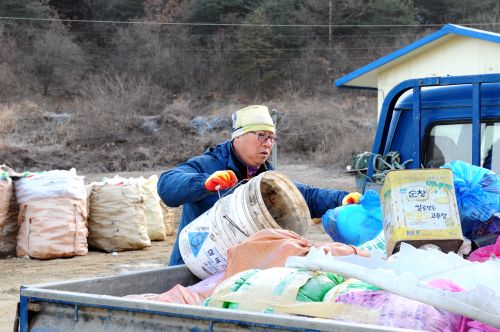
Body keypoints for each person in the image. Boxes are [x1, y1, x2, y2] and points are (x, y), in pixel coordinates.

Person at [157, 105, 359, 266]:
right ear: (238, 137)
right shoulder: (210, 164)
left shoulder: (264, 178)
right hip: (190, 266)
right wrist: (204, 183)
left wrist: (341, 199)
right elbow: (167, 184)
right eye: (261, 135)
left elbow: (304, 195)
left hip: (232, 269)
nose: (268, 143)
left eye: (272, 138)